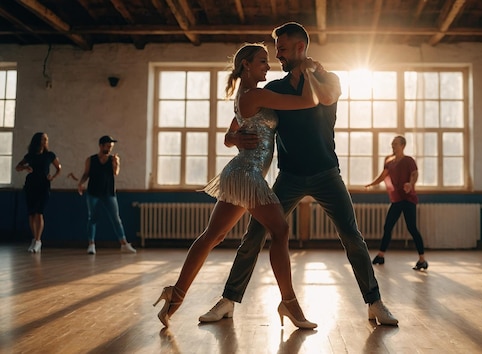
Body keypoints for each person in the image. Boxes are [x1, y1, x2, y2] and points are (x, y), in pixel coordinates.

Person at [199, 22, 398, 326]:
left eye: (281, 49)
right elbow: (234, 128)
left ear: (300, 48)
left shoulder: (329, 78)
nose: (277, 55)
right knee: (253, 235)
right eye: (275, 50)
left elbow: (326, 98)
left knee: (352, 237)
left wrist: (309, 71)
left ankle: (375, 303)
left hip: (326, 173)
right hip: (289, 176)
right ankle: (228, 300)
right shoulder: (273, 89)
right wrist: (236, 139)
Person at [153, 42, 320, 329]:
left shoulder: (249, 95)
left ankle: (175, 294)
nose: (268, 66)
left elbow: (229, 135)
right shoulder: (254, 95)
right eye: (262, 61)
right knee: (280, 230)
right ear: (246, 65)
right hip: (246, 175)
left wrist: (235, 140)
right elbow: (309, 101)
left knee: (211, 237)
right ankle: (289, 303)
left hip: (241, 174)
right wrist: (309, 72)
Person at [365, 136, 428, 270]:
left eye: (395, 144)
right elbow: (383, 175)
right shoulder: (389, 161)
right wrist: (372, 183)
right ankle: (381, 256)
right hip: (396, 200)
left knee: (412, 228)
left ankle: (422, 259)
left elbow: (414, 174)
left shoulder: (409, 160)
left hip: (408, 199)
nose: (393, 146)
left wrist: (410, 184)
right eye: (392, 144)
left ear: (403, 146)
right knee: (387, 227)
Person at [77, 135, 136, 255]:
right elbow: (86, 174)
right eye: (108, 146)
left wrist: (116, 163)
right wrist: (80, 183)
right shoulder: (91, 159)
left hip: (109, 192)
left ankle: (124, 244)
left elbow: (115, 173)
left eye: (111, 147)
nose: (109, 149)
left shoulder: (112, 159)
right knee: (92, 218)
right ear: (101, 146)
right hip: (93, 192)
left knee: (116, 218)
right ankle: (91, 244)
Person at [15, 132, 62, 253]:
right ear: (38, 141)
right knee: (31, 213)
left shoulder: (50, 155)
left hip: (43, 185)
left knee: (39, 212)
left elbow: (58, 168)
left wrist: (53, 177)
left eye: (46, 139)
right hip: (31, 185)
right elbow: (18, 166)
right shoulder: (30, 155)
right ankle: (34, 238)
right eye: (43, 139)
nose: (45, 141)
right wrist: (26, 168)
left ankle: (38, 240)